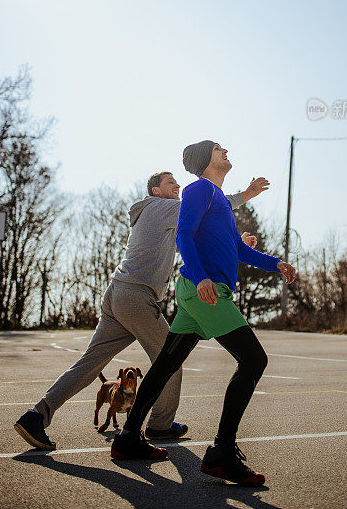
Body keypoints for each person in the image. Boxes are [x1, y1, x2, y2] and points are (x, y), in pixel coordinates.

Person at [13, 168, 269, 451]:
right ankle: (159, 425)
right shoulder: (162, 207)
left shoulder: (157, 215)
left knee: (90, 364)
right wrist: (246, 194)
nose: (177, 185)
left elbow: (203, 238)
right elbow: (209, 207)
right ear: (156, 191)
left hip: (118, 295)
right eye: (170, 182)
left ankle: (36, 416)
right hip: (136, 297)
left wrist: (235, 247)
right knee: (168, 363)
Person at [111, 140, 296, 487]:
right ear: (204, 160)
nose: (225, 150)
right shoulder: (199, 189)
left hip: (200, 294)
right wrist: (200, 277)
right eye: (218, 148)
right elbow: (184, 233)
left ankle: (128, 438)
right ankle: (223, 452)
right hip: (205, 293)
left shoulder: (220, 201)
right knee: (254, 360)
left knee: (166, 363)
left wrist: (276, 264)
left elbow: (239, 248)